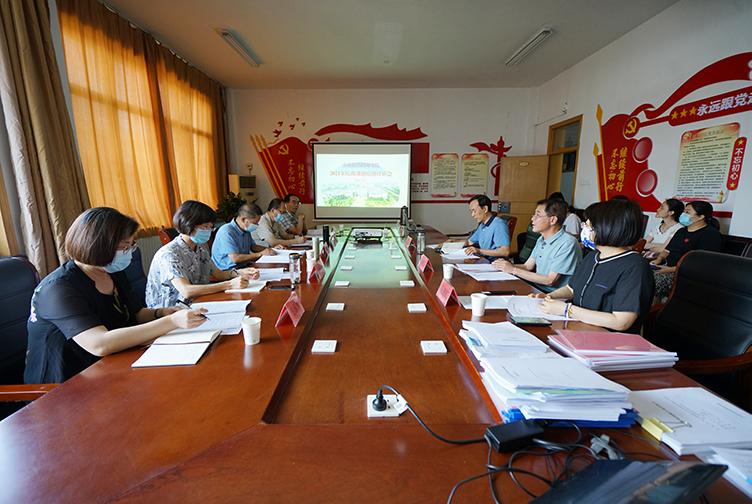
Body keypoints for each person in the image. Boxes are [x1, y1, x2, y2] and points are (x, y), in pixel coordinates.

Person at [24, 207, 209, 384]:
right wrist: (171, 322)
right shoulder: (58, 289)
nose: (129, 252)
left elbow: (136, 314)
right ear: (98, 246)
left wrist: (160, 313)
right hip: (66, 384)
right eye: (124, 246)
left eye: (131, 245)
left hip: (114, 364)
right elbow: (99, 344)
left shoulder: (112, 272)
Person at [536, 198, 654, 334]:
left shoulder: (635, 267)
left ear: (608, 227)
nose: (584, 229)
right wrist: (549, 297)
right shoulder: (593, 256)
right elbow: (571, 289)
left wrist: (567, 310)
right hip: (578, 330)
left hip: (609, 339)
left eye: (588, 225)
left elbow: (621, 322)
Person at [146, 200, 260, 308]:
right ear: (189, 224)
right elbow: (186, 291)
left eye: (211, 227)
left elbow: (218, 274)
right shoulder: (169, 254)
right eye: (205, 227)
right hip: (172, 312)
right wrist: (229, 285)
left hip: (198, 303)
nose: (208, 231)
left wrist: (240, 272)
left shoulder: (199, 248)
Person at [493, 199, 581, 293]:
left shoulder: (568, 243)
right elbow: (527, 266)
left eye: (537, 215)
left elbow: (549, 280)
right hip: (536, 287)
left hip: (553, 295)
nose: (532, 219)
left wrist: (513, 270)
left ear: (552, 220)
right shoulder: (541, 239)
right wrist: (504, 266)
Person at [651, 200, 723, 301]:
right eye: (684, 211)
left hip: (686, 274)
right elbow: (666, 251)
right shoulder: (681, 231)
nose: (683, 214)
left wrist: (671, 269)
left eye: (687, 212)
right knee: (639, 274)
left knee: (654, 282)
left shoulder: (711, 235)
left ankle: (652, 309)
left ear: (700, 217)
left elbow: (702, 264)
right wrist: (658, 260)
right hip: (666, 268)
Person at [211, 202, 279, 270]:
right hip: (227, 272)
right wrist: (261, 254)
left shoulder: (245, 230)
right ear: (243, 219)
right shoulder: (226, 232)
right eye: (255, 222)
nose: (257, 225)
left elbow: (254, 247)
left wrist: (272, 250)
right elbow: (235, 258)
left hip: (243, 268)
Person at [444, 194, 510, 258]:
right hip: (483, 260)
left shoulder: (499, 225)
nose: (472, 215)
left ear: (485, 209)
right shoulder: (482, 225)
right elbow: (469, 242)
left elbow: (505, 251)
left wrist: (479, 251)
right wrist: (452, 242)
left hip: (494, 263)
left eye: (474, 211)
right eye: (471, 212)